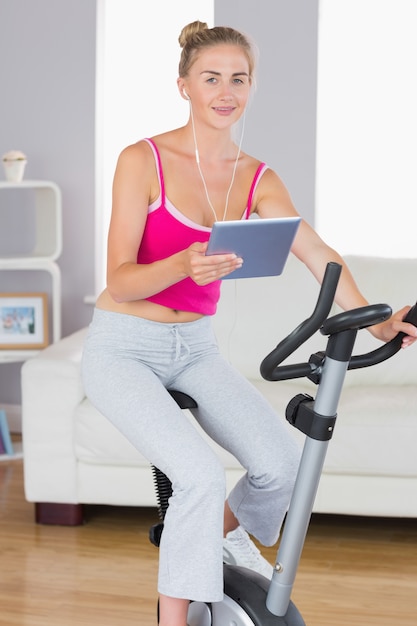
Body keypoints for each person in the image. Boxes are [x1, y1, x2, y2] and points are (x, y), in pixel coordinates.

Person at [81, 20, 417, 626]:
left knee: (281, 464)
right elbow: (120, 280)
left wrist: (375, 321)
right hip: (124, 346)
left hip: (194, 347)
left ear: (251, 86)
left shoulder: (257, 177)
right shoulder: (143, 160)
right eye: (211, 77)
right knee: (200, 475)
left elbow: (317, 253)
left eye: (239, 78)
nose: (225, 90)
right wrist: (182, 263)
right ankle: (173, 618)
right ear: (184, 84)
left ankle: (212, 538)